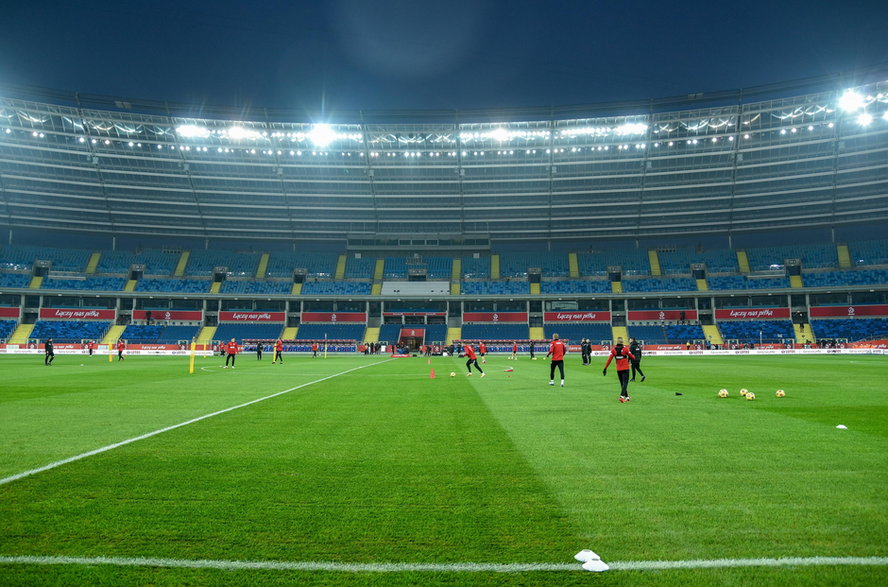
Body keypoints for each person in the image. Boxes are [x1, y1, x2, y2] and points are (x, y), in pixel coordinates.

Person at [603, 337, 636, 402]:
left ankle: (627, 397)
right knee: (625, 383)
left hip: (619, 369)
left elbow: (609, 360)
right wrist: (633, 356)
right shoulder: (625, 349)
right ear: (622, 342)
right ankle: (621, 396)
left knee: (622, 383)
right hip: (625, 368)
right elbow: (632, 357)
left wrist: (605, 368)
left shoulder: (613, 350)